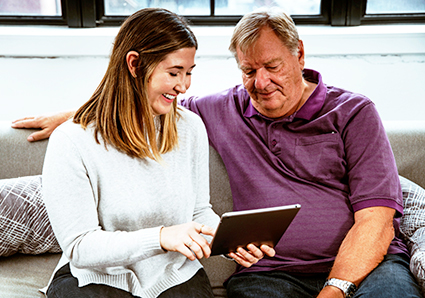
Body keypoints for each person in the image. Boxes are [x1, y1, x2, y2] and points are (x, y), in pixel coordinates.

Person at [12, 8, 422, 298]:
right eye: (248, 70)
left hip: (368, 269)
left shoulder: (352, 112)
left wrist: (333, 288)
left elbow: (377, 220)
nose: (260, 83)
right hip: (272, 275)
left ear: (299, 54)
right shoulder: (214, 110)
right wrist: (77, 116)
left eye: (272, 66)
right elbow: (132, 101)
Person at [36, 8, 274, 298]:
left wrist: (230, 244)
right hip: (96, 279)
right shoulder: (72, 141)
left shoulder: (190, 128)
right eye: (174, 73)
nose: (183, 86)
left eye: (188, 73)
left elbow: (199, 211)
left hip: (174, 276)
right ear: (134, 64)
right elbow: (80, 247)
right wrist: (161, 237)